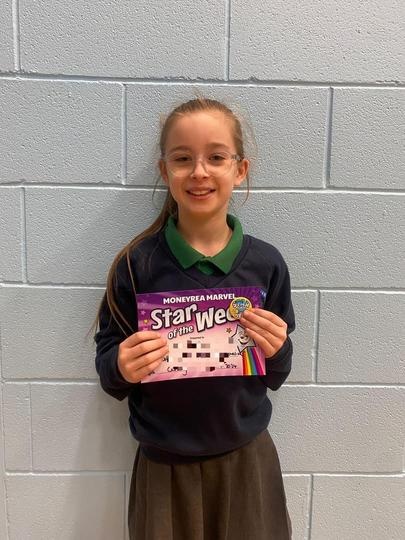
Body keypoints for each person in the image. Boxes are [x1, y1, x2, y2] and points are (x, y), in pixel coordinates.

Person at [94, 97, 295, 540]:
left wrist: (278, 350)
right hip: (163, 468)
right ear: (165, 171)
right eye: (183, 159)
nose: (199, 171)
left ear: (240, 170)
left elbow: (278, 373)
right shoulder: (136, 265)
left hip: (246, 461)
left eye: (216, 157)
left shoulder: (266, 265)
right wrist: (122, 365)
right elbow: (109, 371)